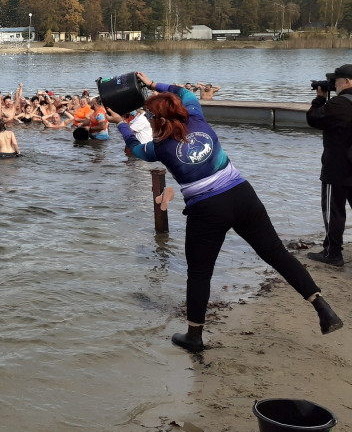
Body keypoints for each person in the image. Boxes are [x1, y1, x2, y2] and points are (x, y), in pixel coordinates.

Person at [108, 71, 342, 352]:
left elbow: (135, 149)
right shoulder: (197, 117)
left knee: (199, 273)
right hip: (241, 194)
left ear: (156, 121)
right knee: (277, 254)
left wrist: (121, 123)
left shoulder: (159, 147)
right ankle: (323, 308)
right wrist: (151, 84)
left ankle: (194, 336)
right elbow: (186, 93)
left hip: (207, 209)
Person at [306, 63, 352, 267]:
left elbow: (314, 118)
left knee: (334, 211)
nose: (334, 84)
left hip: (337, 169)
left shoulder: (339, 104)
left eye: (337, 81)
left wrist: (320, 98)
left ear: (347, 82)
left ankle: (333, 253)